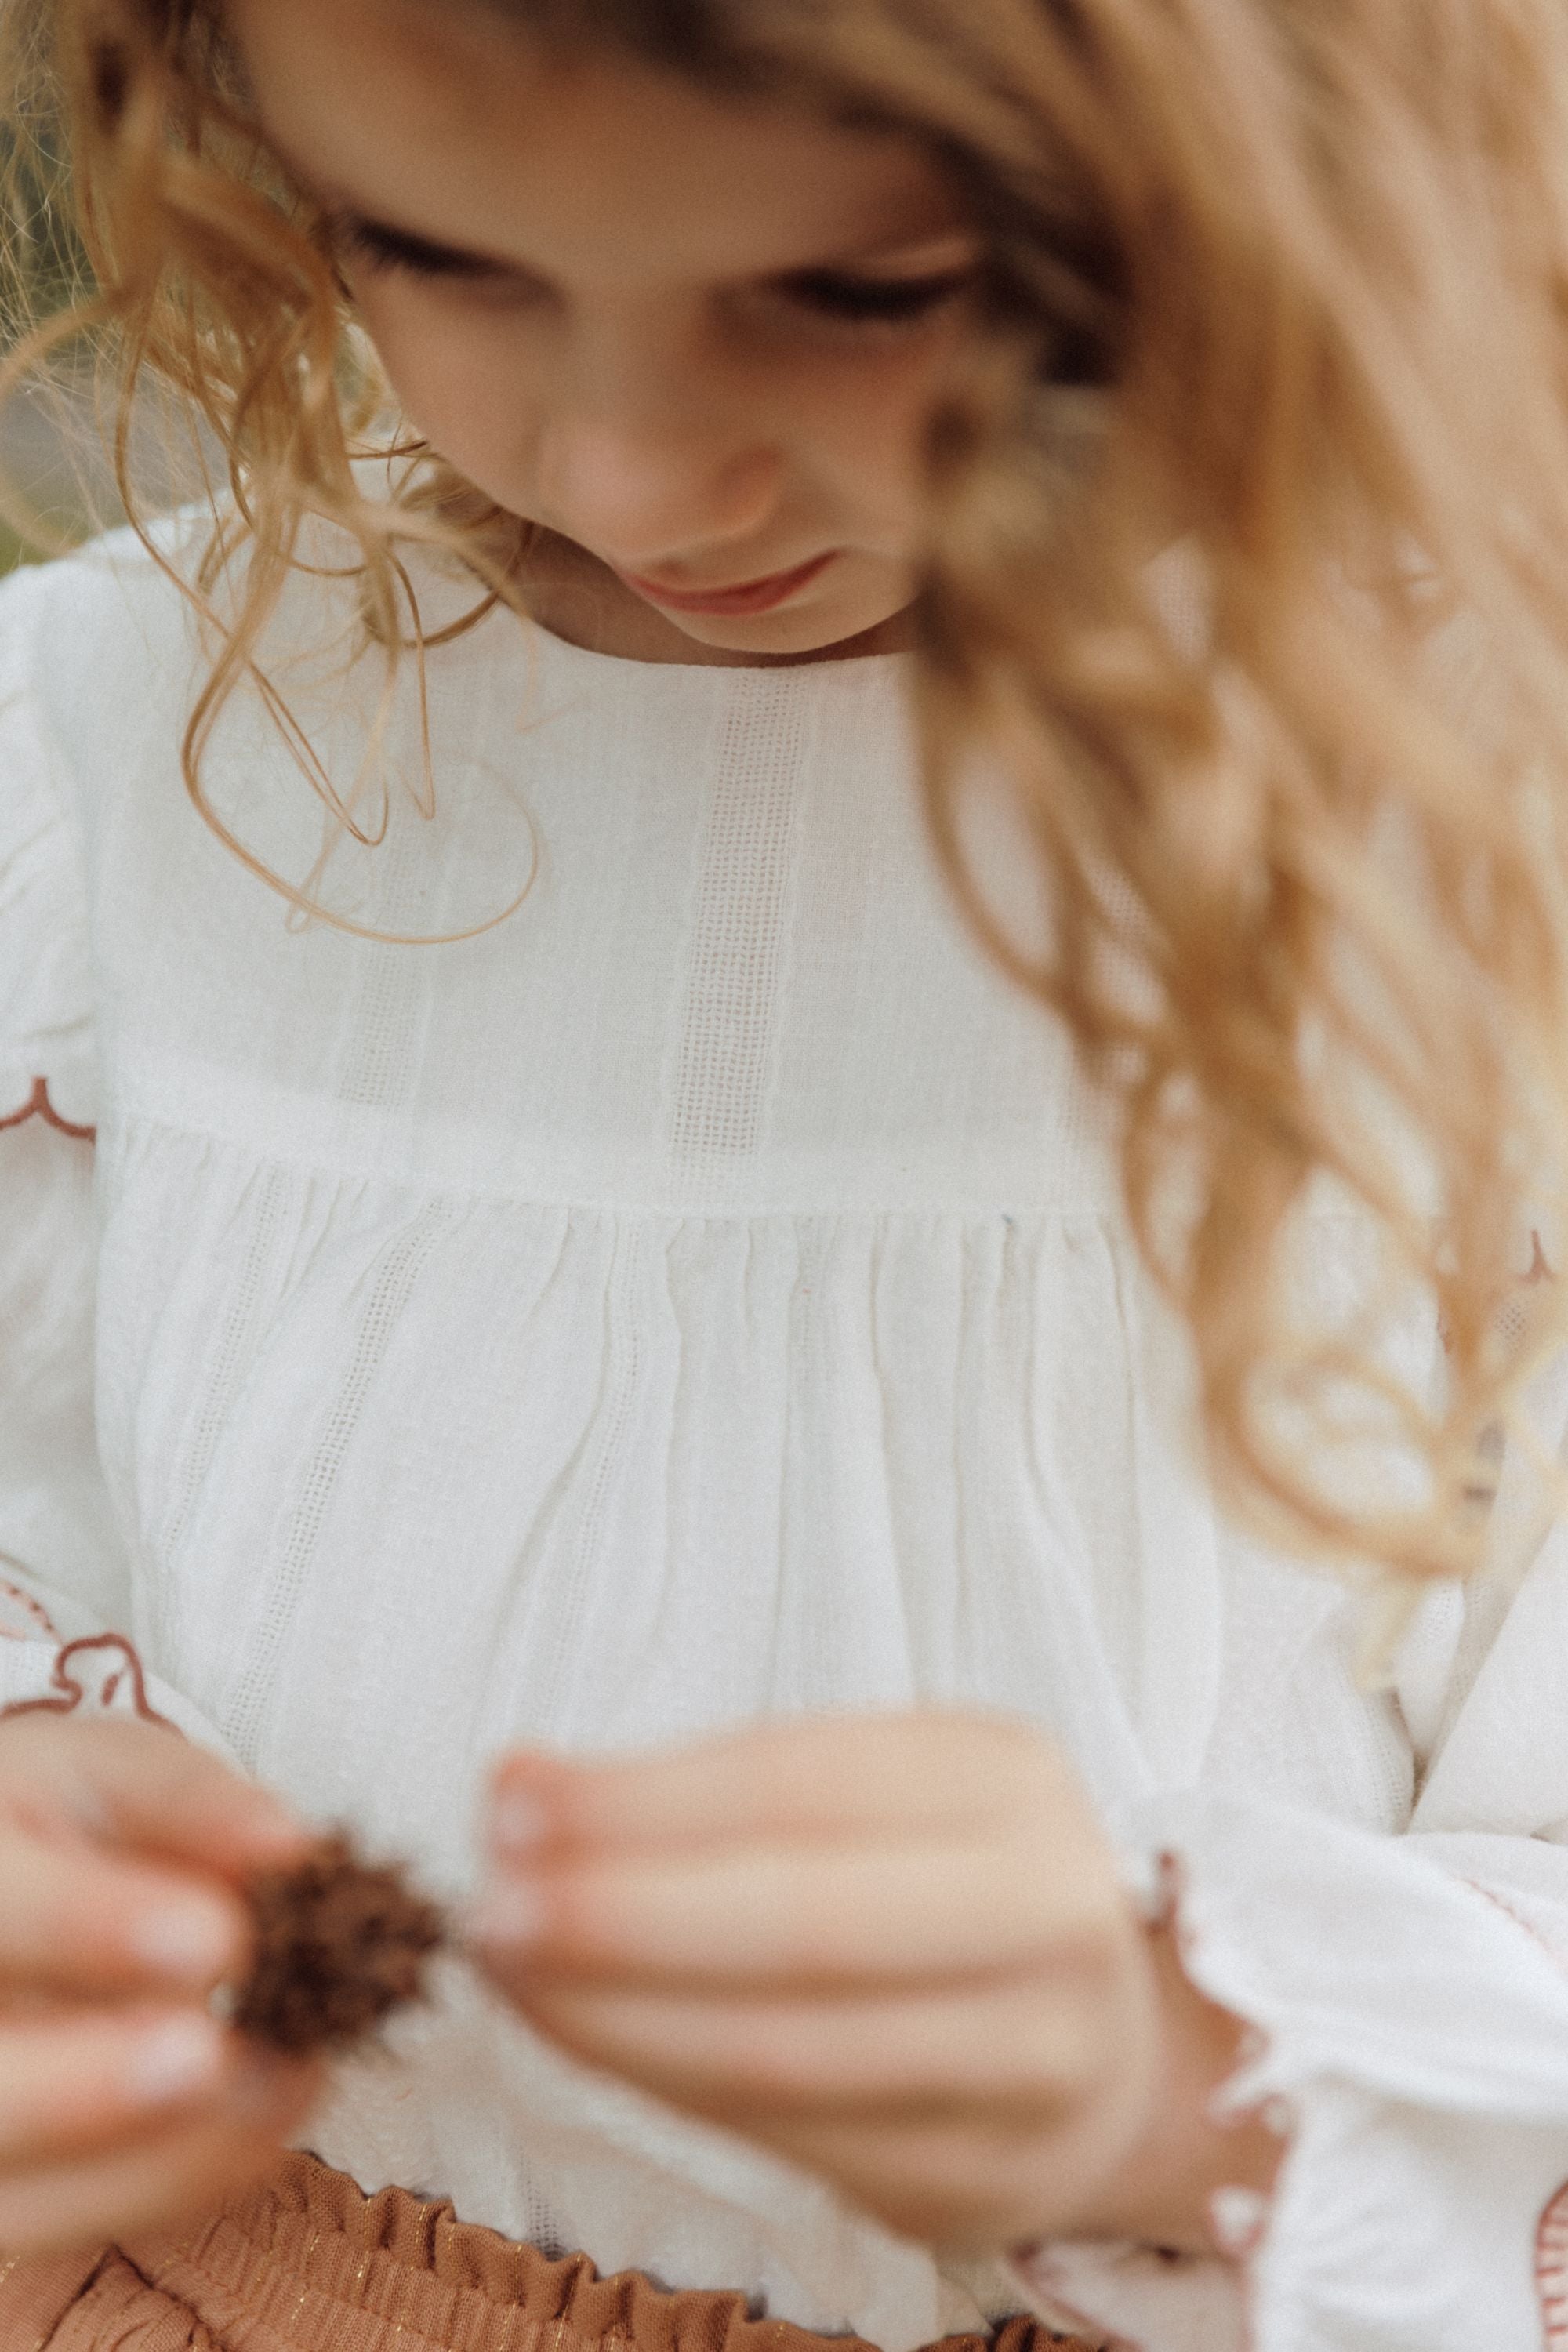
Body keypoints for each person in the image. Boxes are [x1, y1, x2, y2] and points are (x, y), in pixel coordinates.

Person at [2, 1, 1567, 2347]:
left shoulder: (1484, 840)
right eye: (440, 250)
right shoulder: (118, 743)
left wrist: (1184, 2075)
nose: (634, 476)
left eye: (855, 294)